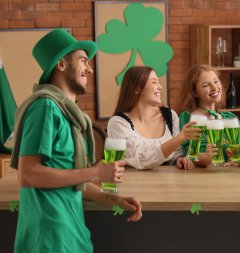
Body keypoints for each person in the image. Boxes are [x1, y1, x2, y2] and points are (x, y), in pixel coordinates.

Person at [10, 29, 142, 253]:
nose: (90, 69)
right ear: (61, 64)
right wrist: (95, 173)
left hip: (70, 231)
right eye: (83, 60)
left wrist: (111, 198)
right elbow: (28, 174)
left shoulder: (67, 115)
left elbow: (67, 179)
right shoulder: (45, 107)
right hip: (51, 237)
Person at [107, 66, 199, 170]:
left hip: (167, 183)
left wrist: (179, 159)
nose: (160, 87)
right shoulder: (118, 123)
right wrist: (179, 138)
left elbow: (176, 153)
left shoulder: (170, 116)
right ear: (137, 89)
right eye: (154, 82)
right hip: (133, 183)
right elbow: (140, 159)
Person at [178, 64, 240, 167]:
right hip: (200, 177)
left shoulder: (230, 118)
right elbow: (187, 156)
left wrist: (234, 160)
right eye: (206, 85)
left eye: (216, 81)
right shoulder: (188, 118)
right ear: (195, 92)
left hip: (230, 176)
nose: (214, 87)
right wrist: (208, 157)